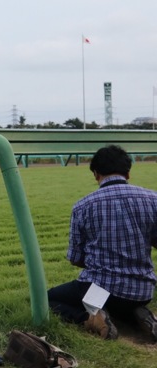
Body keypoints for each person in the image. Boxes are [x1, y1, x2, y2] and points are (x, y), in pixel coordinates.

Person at [47, 145, 157, 342]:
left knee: (47, 299)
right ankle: (136, 314)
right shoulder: (153, 199)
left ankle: (91, 319)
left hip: (100, 289)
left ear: (96, 174)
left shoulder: (83, 205)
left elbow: (75, 258)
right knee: (124, 301)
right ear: (128, 173)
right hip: (143, 290)